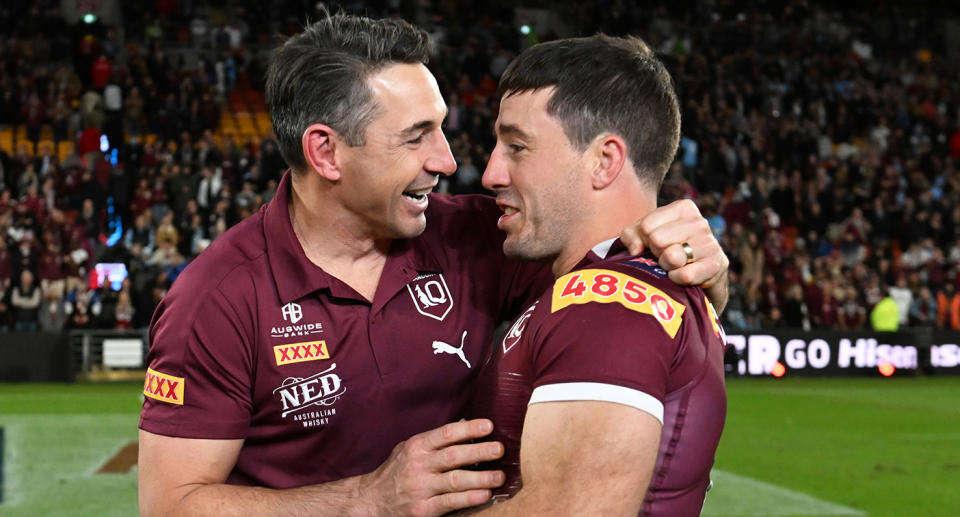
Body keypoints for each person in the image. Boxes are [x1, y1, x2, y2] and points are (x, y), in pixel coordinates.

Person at [138, 14, 728, 517]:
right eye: (416, 136)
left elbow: (617, 278)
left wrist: (699, 263)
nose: (448, 160)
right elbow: (172, 505)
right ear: (326, 152)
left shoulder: (474, 239)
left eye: (441, 128)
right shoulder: (217, 299)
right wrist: (367, 499)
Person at [465, 35, 726, 516]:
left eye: (517, 147)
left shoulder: (607, 300)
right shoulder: (623, 288)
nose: (491, 173)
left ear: (604, 161)